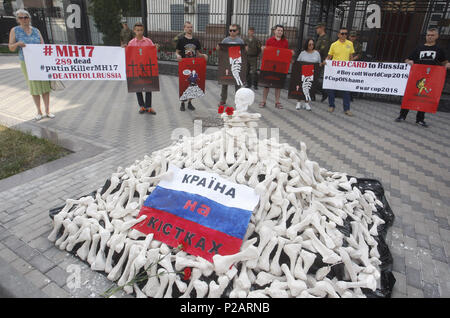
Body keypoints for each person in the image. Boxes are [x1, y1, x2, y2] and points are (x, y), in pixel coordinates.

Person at [395, 28, 450, 127]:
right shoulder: (419, 48)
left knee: (424, 98)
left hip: (430, 78)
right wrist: (409, 62)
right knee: (410, 95)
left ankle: (420, 119)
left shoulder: (439, 49)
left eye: (432, 35)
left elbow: (444, 61)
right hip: (416, 77)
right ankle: (402, 115)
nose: (430, 37)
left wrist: (447, 64)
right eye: (428, 35)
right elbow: (407, 59)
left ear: (437, 36)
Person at [8, 9, 53, 121]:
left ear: (29, 18)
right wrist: (18, 43)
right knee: (34, 86)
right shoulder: (15, 30)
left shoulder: (36, 30)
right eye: (21, 18)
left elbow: (43, 45)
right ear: (18, 20)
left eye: (26, 17)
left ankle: (47, 111)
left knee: (45, 86)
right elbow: (11, 47)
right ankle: (39, 111)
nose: (24, 19)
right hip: (26, 62)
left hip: (39, 61)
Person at [176, 21, 208, 111]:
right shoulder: (181, 40)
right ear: (184, 28)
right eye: (188, 27)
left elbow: (198, 53)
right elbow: (177, 51)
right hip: (184, 65)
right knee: (184, 83)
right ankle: (182, 103)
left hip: (193, 65)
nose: (190, 28)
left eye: (191, 27)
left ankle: (190, 102)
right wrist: (178, 56)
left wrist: (203, 55)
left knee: (192, 84)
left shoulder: (196, 40)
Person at [259, 24, 293, 109]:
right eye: (278, 30)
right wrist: (263, 49)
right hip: (269, 66)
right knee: (267, 84)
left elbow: (285, 54)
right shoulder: (269, 40)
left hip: (280, 66)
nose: (280, 32)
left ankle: (277, 102)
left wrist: (291, 53)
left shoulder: (285, 42)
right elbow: (266, 53)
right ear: (274, 31)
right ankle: (263, 101)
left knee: (278, 85)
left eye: (281, 31)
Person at [128, 22, 158, 115]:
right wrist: (123, 49)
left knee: (148, 87)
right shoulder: (131, 43)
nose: (139, 32)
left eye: (141, 30)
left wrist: (156, 48)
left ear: (143, 30)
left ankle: (148, 107)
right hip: (136, 69)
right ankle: (142, 106)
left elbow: (153, 53)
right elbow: (128, 55)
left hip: (147, 68)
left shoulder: (148, 41)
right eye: (137, 30)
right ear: (134, 31)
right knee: (138, 87)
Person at [326, 27, 356, 116]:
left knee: (346, 90)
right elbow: (329, 56)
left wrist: (353, 65)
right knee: (331, 89)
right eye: (342, 33)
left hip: (345, 71)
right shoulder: (333, 45)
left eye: (346, 34)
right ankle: (332, 105)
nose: (344, 35)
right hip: (334, 71)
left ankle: (346, 109)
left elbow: (351, 57)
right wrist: (325, 61)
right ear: (338, 34)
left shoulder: (350, 44)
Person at [218, 24, 246, 107]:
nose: (232, 32)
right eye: (230, 30)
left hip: (236, 63)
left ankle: (238, 100)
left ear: (237, 31)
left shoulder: (240, 41)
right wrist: (218, 47)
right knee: (225, 82)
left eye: (234, 30)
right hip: (227, 63)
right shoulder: (225, 40)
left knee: (237, 83)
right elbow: (220, 49)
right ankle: (223, 100)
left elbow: (244, 52)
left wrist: (245, 49)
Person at [296, 38, 321, 111]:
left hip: (312, 73)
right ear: (306, 44)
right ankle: (298, 102)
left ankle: (306, 103)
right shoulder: (302, 53)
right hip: (303, 73)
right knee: (301, 87)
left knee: (309, 88)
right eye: (309, 44)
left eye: (312, 44)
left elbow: (319, 64)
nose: (311, 45)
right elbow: (298, 63)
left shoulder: (317, 53)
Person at [315, 22, 332, 103]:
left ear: (322, 28)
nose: (316, 30)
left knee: (316, 79)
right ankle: (313, 95)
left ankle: (324, 92)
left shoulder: (325, 38)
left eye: (317, 28)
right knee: (314, 78)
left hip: (322, 61)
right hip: (317, 60)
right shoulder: (320, 37)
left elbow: (323, 50)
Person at [349, 30, 362, 101]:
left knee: (351, 80)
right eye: (351, 36)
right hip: (345, 63)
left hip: (354, 64)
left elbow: (359, 54)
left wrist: (353, 59)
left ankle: (350, 96)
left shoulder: (358, 45)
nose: (352, 38)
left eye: (354, 36)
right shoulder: (345, 44)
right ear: (349, 37)